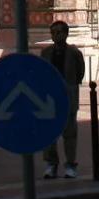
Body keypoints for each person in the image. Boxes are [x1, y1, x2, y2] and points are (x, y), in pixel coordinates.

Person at [42, 20, 86, 180]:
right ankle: (51, 164)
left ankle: (70, 165)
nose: (55, 36)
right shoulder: (46, 52)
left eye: (59, 32)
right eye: (53, 33)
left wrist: (72, 85)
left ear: (66, 34)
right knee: (49, 133)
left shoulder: (74, 53)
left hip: (68, 96)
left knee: (70, 133)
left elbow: (80, 72)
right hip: (50, 97)